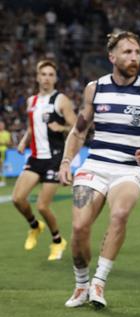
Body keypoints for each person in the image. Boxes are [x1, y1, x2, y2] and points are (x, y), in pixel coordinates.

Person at [59, 31, 140, 309]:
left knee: (119, 215)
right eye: (128, 52)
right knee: (80, 227)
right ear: (112, 57)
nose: (134, 57)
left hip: (127, 170)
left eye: (137, 52)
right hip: (95, 165)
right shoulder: (95, 89)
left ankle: (99, 282)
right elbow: (79, 131)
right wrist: (66, 161)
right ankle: (81, 284)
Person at [11, 60, 75, 260]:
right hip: (36, 157)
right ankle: (35, 226)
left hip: (54, 158)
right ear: (37, 77)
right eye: (43, 74)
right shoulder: (32, 101)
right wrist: (23, 141)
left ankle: (57, 241)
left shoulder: (61, 100)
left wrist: (62, 128)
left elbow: (76, 127)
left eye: (50, 75)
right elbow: (32, 127)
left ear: (55, 78)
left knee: (42, 206)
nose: (47, 78)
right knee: (17, 199)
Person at [0, 120, 11, 187]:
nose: (1, 126)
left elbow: (9, 142)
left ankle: (3, 181)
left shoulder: (7, 133)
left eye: (1, 125)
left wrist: (3, 143)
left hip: (3, 151)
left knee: (1, 165)